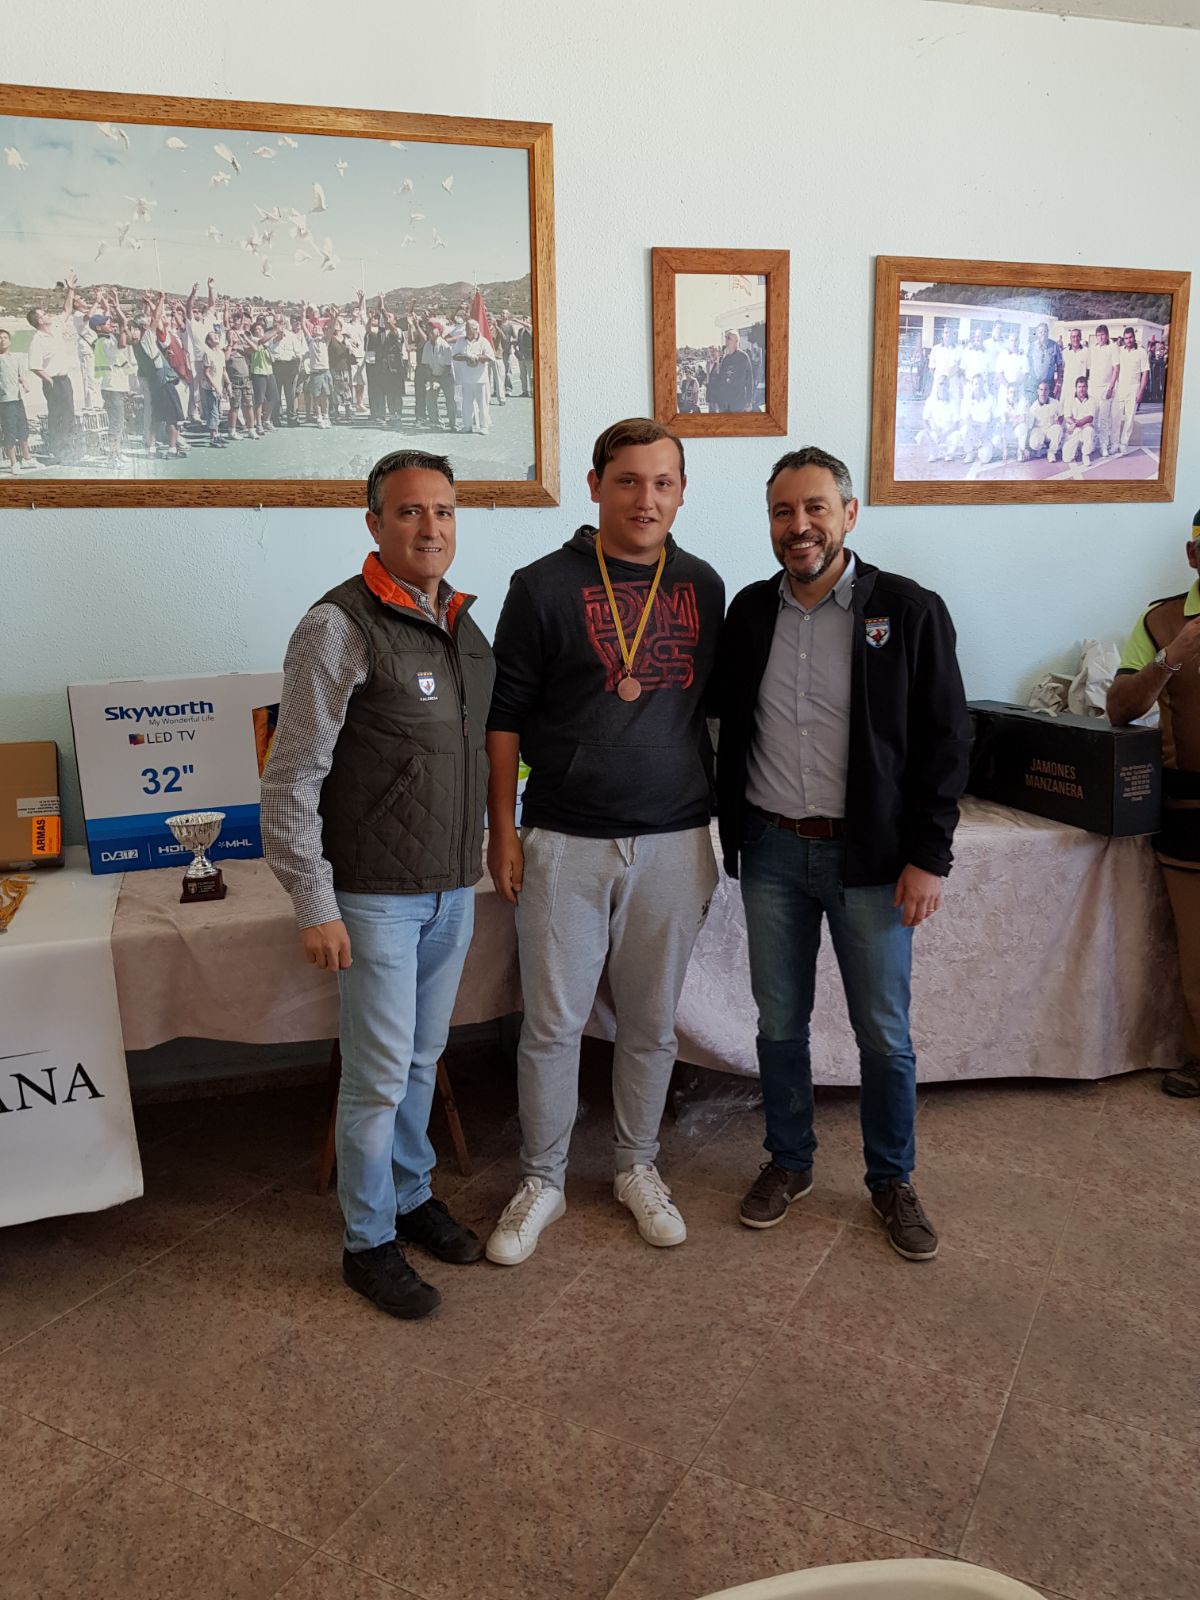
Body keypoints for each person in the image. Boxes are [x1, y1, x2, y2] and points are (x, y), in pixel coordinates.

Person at [712, 445, 970, 1260]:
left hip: (872, 861)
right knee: (778, 1023)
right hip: (772, 851)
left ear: (849, 514)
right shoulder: (750, 612)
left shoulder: (908, 609)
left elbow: (947, 741)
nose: (800, 526)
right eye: (783, 511)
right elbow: (722, 723)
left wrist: (929, 856)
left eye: (815, 507)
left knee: (883, 1033)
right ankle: (789, 1161)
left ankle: (892, 1179)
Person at [484, 417, 725, 1264]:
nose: (645, 499)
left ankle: (636, 1166)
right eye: (627, 481)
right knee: (552, 1025)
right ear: (595, 486)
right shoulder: (541, 585)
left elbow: (715, 713)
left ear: (682, 493)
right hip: (566, 838)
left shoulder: (703, 584)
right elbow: (504, 718)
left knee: (652, 1024)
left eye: (663, 483)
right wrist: (504, 830)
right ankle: (541, 1179)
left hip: (675, 836)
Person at [261, 448, 495, 1319]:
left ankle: (410, 1194)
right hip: (374, 897)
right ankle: (367, 1241)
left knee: (422, 1061)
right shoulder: (338, 626)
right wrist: (314, 903)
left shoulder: (463, 625)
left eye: (444, 511)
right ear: (374, 523)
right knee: (376, 1077)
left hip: (450, 889)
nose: (430, 527)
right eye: (409, 511)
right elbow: (291, 777)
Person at [1108, 509, 1200, 1102]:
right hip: (1190, 804)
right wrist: (1171, 656)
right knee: (1197, 946)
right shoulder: (1160, 620)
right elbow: (1120, 709)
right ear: (1194, 556)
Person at [26, 272, 80, 462]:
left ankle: (69, 450)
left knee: (69, 414)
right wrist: (50, 380)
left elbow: (67, 309)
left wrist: (70, 290)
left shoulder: (55, 326)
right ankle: (58, 452)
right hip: (53, 381)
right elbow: (34, 366)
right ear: (39, 321)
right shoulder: (37, 340)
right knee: (57, 417)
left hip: (64, 380)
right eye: (44, 314)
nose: (48, 314)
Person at [0, 327, 36, 474]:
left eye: (5, 338)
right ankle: (13, 463)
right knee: (9, 431)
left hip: (18, 399)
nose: (2, 340)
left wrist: (25, 384)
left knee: (23, 428)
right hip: (4, 401)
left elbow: (21, 376)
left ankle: (27, 458)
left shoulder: (15, 358)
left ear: (9, 341)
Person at [452, 317, 496, 435]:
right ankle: (467, 425)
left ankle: (484, 426)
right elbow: (454, 355)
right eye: (466, 328)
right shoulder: (461, 341)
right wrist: (466, 357)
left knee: (482, 404)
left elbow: (491, 357)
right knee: (467, 404)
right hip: (466, 378)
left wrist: (477, 357)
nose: (466, 330)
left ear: (475, 329)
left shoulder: (483, 341)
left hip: (480, 379)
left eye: (468, 328)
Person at [1112, 325, 1150, 455]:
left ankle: (1123, 444)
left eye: (1130, 338)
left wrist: (1141, 391)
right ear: (1123, 339)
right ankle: (1114, 443)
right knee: (1115, 417)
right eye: (1126, 338)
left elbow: (1145, 373)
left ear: (1134, 337)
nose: (1128, 340)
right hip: (1120, 389)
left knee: (1129, 418)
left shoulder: (1141, 352)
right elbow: (1114, 368)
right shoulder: (1119, 351)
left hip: (1134, 389)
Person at [1087, 324, 1117, 459]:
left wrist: (1110, 387)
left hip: (1105, 389)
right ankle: (1092, 444)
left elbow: (1116, 369)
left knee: (1104, 419)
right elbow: (1089, 369)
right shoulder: (1093, 349)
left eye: (1102, 335)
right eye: (1098, 335)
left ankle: (1104, 445)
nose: (1100, 337)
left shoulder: (1113, 347)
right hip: (1093, 388)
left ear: (1107, 335)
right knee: (1092, 417)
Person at [915, 374, 958, 462]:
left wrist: (945, 434)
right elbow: (925, 420)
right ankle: (934, 453)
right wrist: (932, 432)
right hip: (935, 431)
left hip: (948, 432)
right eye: (941, 384)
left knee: (957, 436)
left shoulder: (954, 400)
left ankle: (948, 453)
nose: (943, 386)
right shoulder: (930, 400)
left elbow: (956, 422)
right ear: (937, 386)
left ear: (949, 386)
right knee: (923, 436)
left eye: (946, 384)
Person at [272, 313, 305, 427]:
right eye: (275, 322)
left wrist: (297, 369)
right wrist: (276, 338)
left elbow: (298, 354)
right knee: (276, 395)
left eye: (279, 322)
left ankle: (292, 418)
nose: (277, 324)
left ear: (284, 323)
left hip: (290, 367)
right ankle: (275, 418)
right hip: (276, 366)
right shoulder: (270, 336)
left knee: (290, 395)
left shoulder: (291, 336)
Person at [712, 329, 755, 413]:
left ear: (736, 342)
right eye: (726, 337)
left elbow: (749, 380)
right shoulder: (725, 359)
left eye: (729, 338)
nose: (726, 340)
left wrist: (749, 401)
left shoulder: (743, 357)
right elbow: (721, 380)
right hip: (724, 403)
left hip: (738, 402)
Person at [200, 329, 229, 448]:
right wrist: (215, 387)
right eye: (212, 336)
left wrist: (228, 383)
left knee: (218, 411)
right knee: (213, 411)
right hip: (210, 387)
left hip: (219, 386)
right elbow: (206, 372)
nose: (216, 337)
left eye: (216, 335)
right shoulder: (208, 353)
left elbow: (223, 370)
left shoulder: (221, 353)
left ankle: (217, 434)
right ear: (208, 341)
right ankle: (213, 437)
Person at [958, 372, 995, 465]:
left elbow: (996, 417)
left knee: (985, 459)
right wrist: (980, 424)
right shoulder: (966, 400)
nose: (978, 386)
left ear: (984, 384)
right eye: (976, 384)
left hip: (987, 431)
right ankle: (970, 453)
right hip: (973, 430)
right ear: (972, 385)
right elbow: (964, 420)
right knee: (965, 430)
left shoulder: (990, 398)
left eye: (980, 384)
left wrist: (987, 427)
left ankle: (984, 448)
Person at [1060, 376, 1096, 466]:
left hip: (1084, 430)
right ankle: (1076, 448)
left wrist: (1075, 423)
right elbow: (1067, 417)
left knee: (1089, 430)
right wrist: (1077, 424)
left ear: (1087, 388)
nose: (1081, 389)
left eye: (1084, 387)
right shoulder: (1069, 399)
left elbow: (1090, 418)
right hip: (1074, 430)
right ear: (1076, 388)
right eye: (1079, 387)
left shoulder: (1092, 400)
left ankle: (1085, 455)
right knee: (1066, 458)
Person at [1027, 379, 1064, 462]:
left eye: (1045, 390)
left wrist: (1059, 421)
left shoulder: (1055, 403)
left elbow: (1062, 415)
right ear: (1037, 391)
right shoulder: (1033, 407)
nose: (1043, 392)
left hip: (1050, 430)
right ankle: (1041, 449)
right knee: (1034, 443)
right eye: (1041, 390)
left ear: (1048, 391)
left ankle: (1051, 453)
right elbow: (1029, 426)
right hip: (1039, 430)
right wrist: (1027, 448)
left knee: (1058, 429)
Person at [994, 380, 1030, 464]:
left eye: (1015, 392)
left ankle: (1020, 450)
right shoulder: (1003, 404)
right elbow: (1003, 425)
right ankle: (1007, 451)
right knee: (996, 440)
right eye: (1011, 392)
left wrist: (1013, 423)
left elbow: (1023, 419)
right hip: (1007, 430)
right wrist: (1005, 449)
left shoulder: (1022, 401)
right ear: (1007, 393)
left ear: (1018, 393)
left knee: (1023, 427)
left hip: (1016, 428)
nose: (1013, 394)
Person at [1027, 322, 1062, 402]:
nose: (1043, 334)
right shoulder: (1032, 346)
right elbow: (1028, 364)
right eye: (1041, 332)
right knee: (1034, 405)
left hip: (1049, 383)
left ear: (1048, 333)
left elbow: (1059, 365)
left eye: (1045, 331)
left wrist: (1058, 383)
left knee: (1048, 406)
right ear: (1037, 333)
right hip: (1035, 384)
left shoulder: (1054, 345)